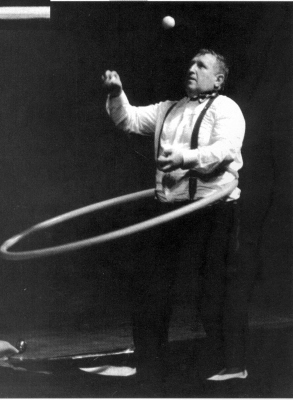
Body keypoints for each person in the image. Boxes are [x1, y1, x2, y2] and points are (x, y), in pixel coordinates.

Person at [102, 49, 249, 386]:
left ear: (219, 78)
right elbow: (130, 120)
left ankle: (234, 364)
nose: (192, 68)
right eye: (191, 63)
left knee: (214, 291)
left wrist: (184, 157)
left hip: (212, 211)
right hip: (168, 212)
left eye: (201, 65)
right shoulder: (170, 109)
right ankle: (149, 363)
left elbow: (224, 150)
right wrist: (115, 93)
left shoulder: (226, 109)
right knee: (151, 288)